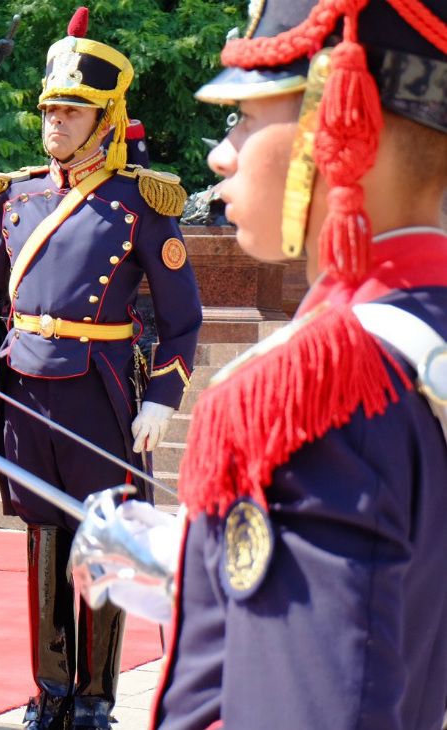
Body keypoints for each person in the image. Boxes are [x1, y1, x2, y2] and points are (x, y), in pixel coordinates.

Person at [66, 0, 447, 728]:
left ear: (338, 120)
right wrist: (212, 566)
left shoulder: (320, 391)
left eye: (243, 117)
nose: (221, 152)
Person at [0, 8, 203, 729]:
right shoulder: (15, 194)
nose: (54, 123)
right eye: (49, 110)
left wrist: (162, 397)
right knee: (41, 539)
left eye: (71, 111)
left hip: (100, 387)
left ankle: (94, 698)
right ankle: (49, 692)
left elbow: (183, 319)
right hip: (27, 387)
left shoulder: (142, 202)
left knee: (103, 536)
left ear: (105, 118)